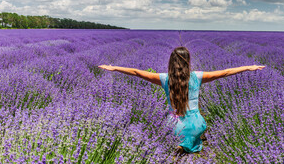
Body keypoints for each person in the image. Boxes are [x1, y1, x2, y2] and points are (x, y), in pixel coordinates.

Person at [98, 46, 265, 154]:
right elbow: (226, 72)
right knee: (197, 131)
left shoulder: (164, 79)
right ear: (188, 62)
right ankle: (191, 142)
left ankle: (179, 142)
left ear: (171, 62)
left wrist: (114, 68)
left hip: (174, 126)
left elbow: (136, 72)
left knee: (174, 127)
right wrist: (248, 67)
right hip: (196, 124)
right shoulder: (198, 76)